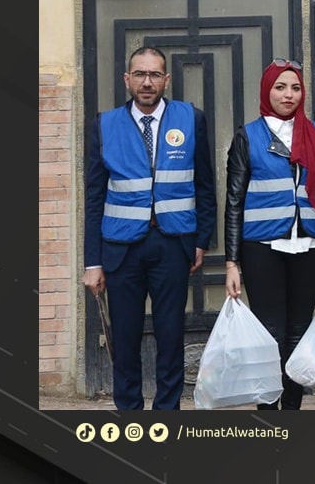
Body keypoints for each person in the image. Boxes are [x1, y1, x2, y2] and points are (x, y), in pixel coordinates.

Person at [83, 46, 217, 410]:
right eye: (140, 74)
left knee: (170, 336)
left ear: (166, 80)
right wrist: (92, 262)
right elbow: (94, 198)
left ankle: (166, 414)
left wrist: (201, 240)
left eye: (155, 74)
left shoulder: (191, 118)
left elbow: (205, 185)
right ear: (127, 79)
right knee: (125, 337)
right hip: (121, 249)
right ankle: (129, 413)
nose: (147, 82)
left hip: (173, 245)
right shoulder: (104, 125)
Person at [224, 59, 315, 410]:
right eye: (280, 87)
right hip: (262, 247)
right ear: (267, 91)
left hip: (312, 245)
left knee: (300, 332)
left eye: (295, 88)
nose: (288, 94)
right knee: (270, 333)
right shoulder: (248, 136)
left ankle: (291, 411)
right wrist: (232, 262)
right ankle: (269, 410)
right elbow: (234, 200)